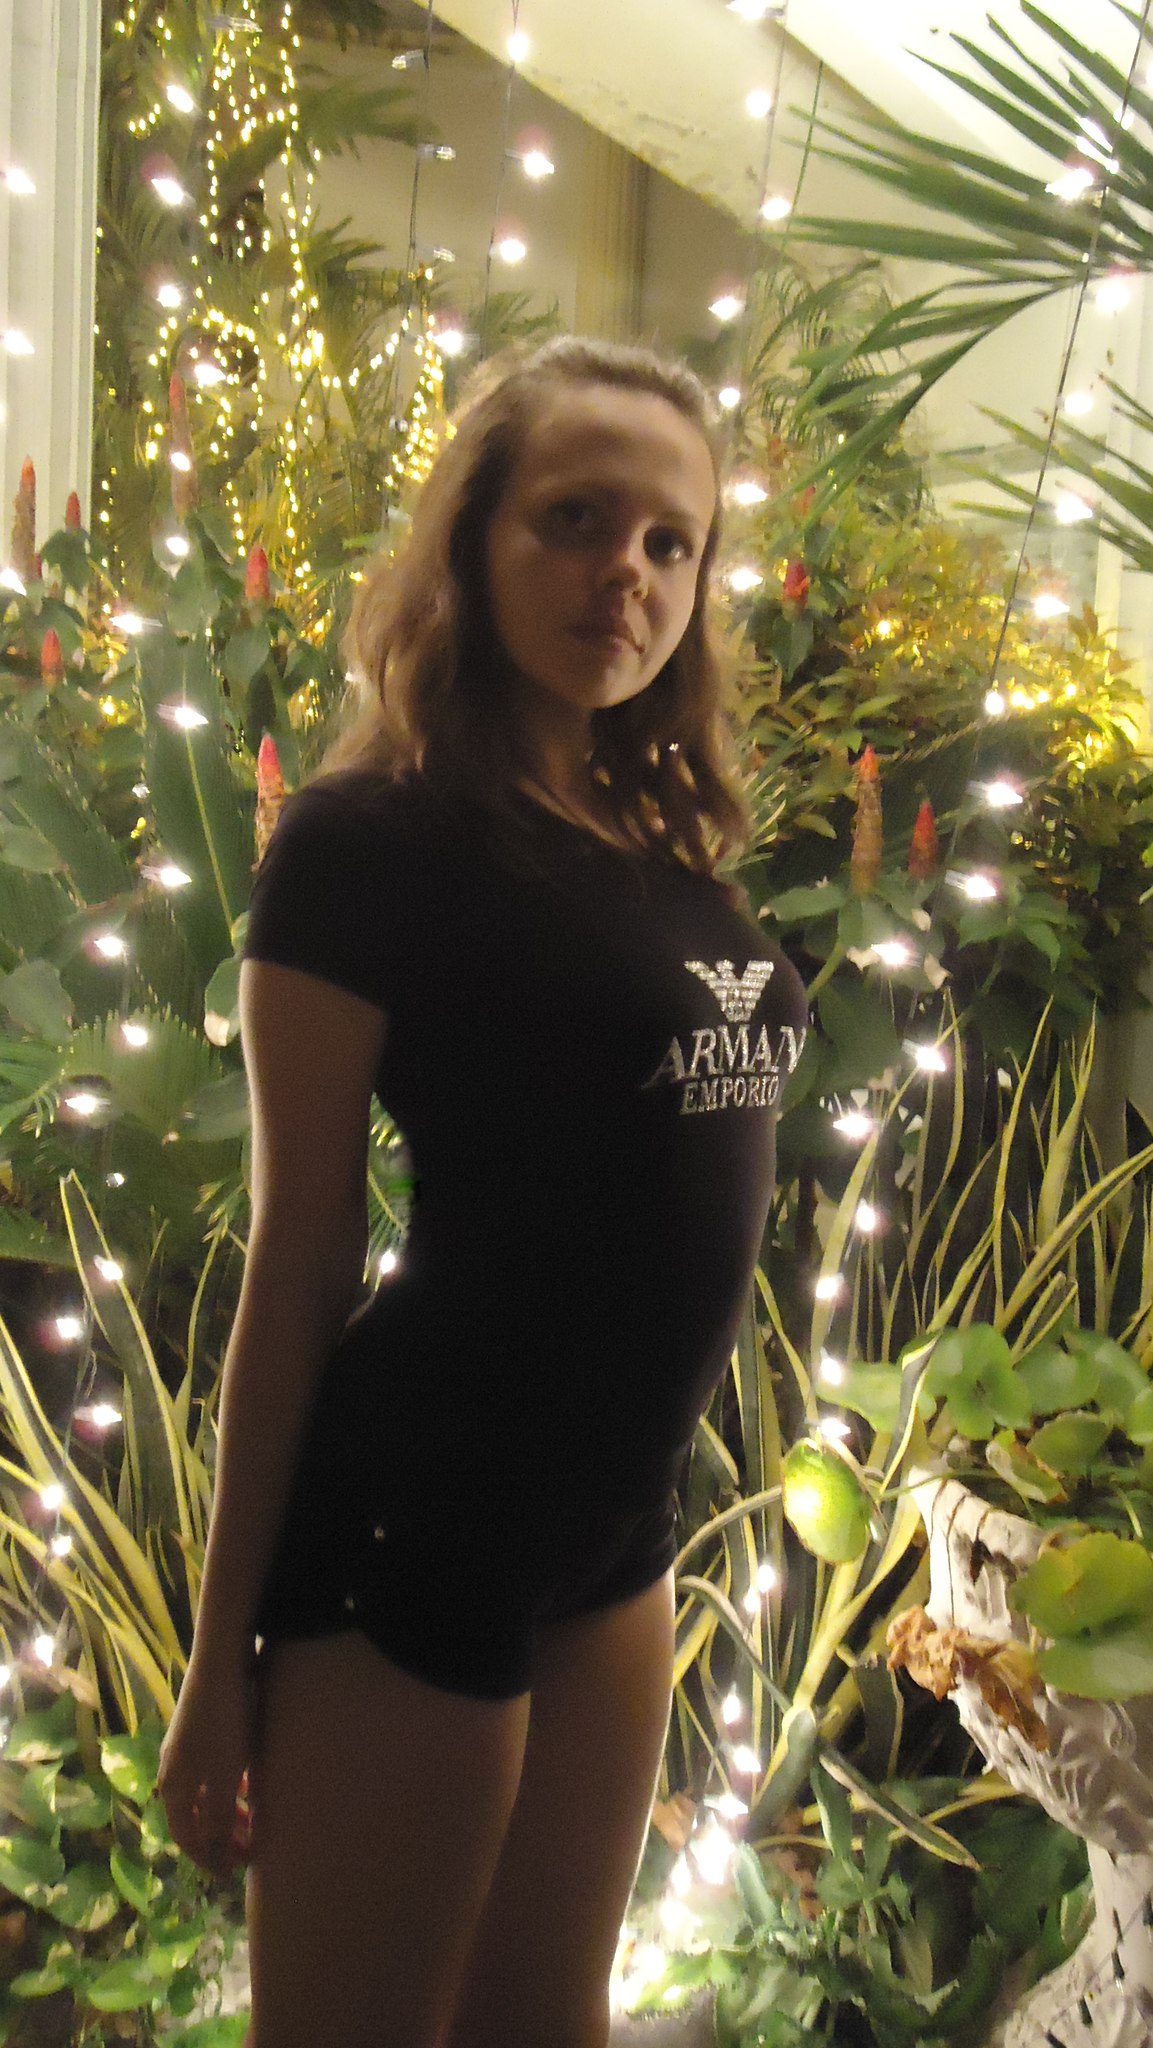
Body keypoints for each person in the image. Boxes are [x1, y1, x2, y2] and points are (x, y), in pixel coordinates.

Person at [157, 334, 808, 2048]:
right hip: (415, 1529)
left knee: (548, 2024)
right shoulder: (365, 843)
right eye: (575, 519)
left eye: (670, 541)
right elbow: (298, 1263)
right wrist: (217, 1662)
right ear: (472, 537)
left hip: (612, 1539)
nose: (627, 573)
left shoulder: (657, 840)